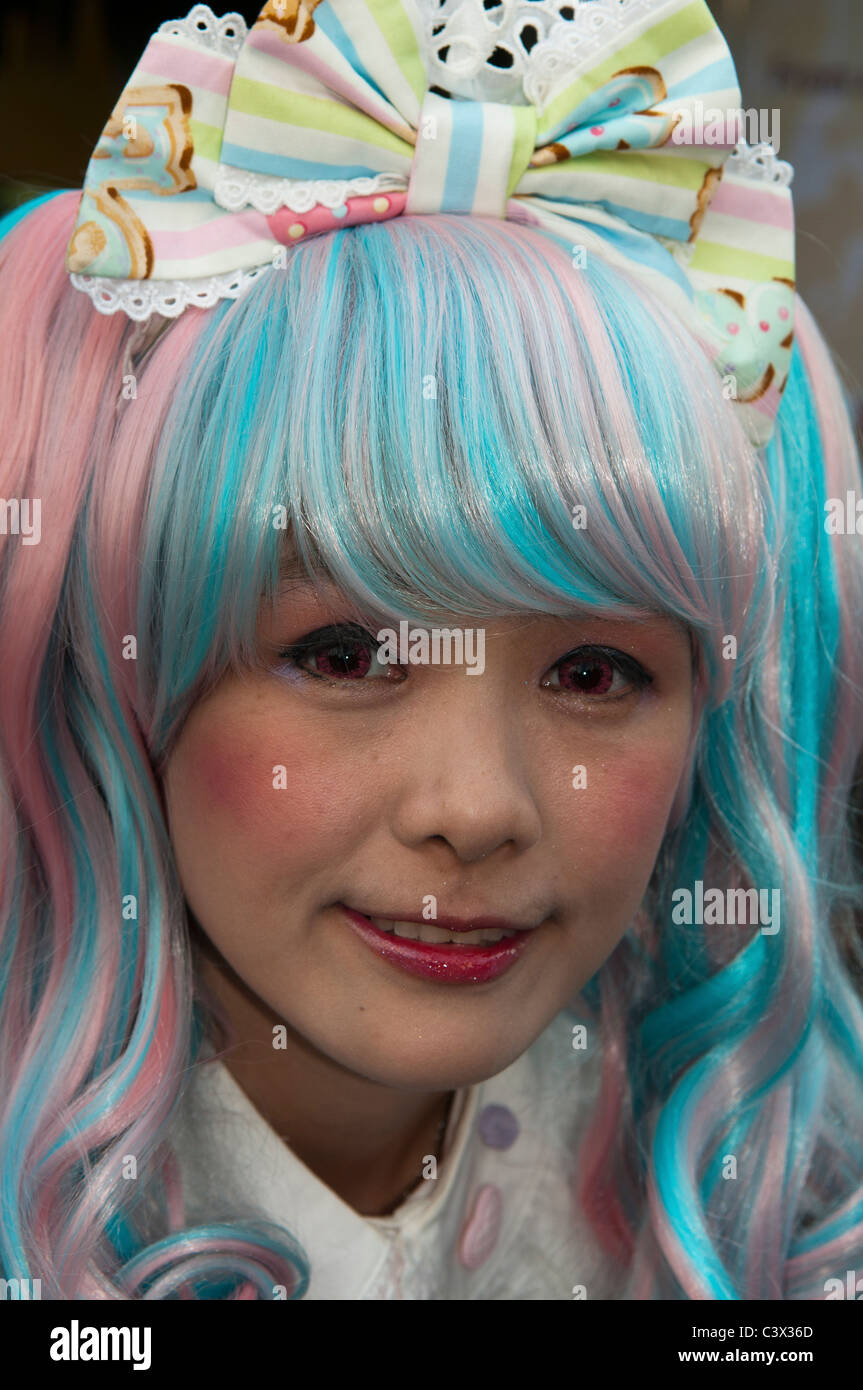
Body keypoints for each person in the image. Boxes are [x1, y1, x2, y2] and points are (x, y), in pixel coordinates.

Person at [1, 0, 862, 1301]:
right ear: (116, 667)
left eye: (594, 672)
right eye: (345, 652)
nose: (477, 809)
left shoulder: (747, 1222)